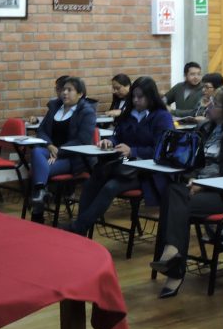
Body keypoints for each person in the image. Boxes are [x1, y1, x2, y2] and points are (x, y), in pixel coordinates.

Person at [150, 87, 223, 298]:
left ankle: (174, 264)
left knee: (174, 201)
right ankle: (174, 259)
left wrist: (205, 184)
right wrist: (190, 176)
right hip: (197, 188)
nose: (209, 106)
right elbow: (192, 159)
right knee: (173, 192)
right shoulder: (207, 127)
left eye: (216, 104)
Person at [67, 76, 174, 236]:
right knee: (92, 182)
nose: (136, 100)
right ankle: (81, 227)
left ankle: (79, 228)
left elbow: (162, 148)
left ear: (151, 96)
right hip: (124, 163)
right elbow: (118, 135)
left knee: (110, 187)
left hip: (147, 170)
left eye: (140, 97)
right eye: (134, 96)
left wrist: (134, 151)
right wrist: (110, 142)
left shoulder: (161, 117)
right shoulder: (128, 113)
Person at [28, 77, 97, 222]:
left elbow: (82, 141)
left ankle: (37, 212)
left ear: (80, 94)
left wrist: (59, 151)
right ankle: (41, 192)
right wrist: (50, 146)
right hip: (51, 151)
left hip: (74, 158)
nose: (65, 93)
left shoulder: (87, 112)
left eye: (70, 90)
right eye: (64, 89)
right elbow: (41, 130)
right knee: (35, 152)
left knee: (40, 168)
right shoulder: (55, 106)